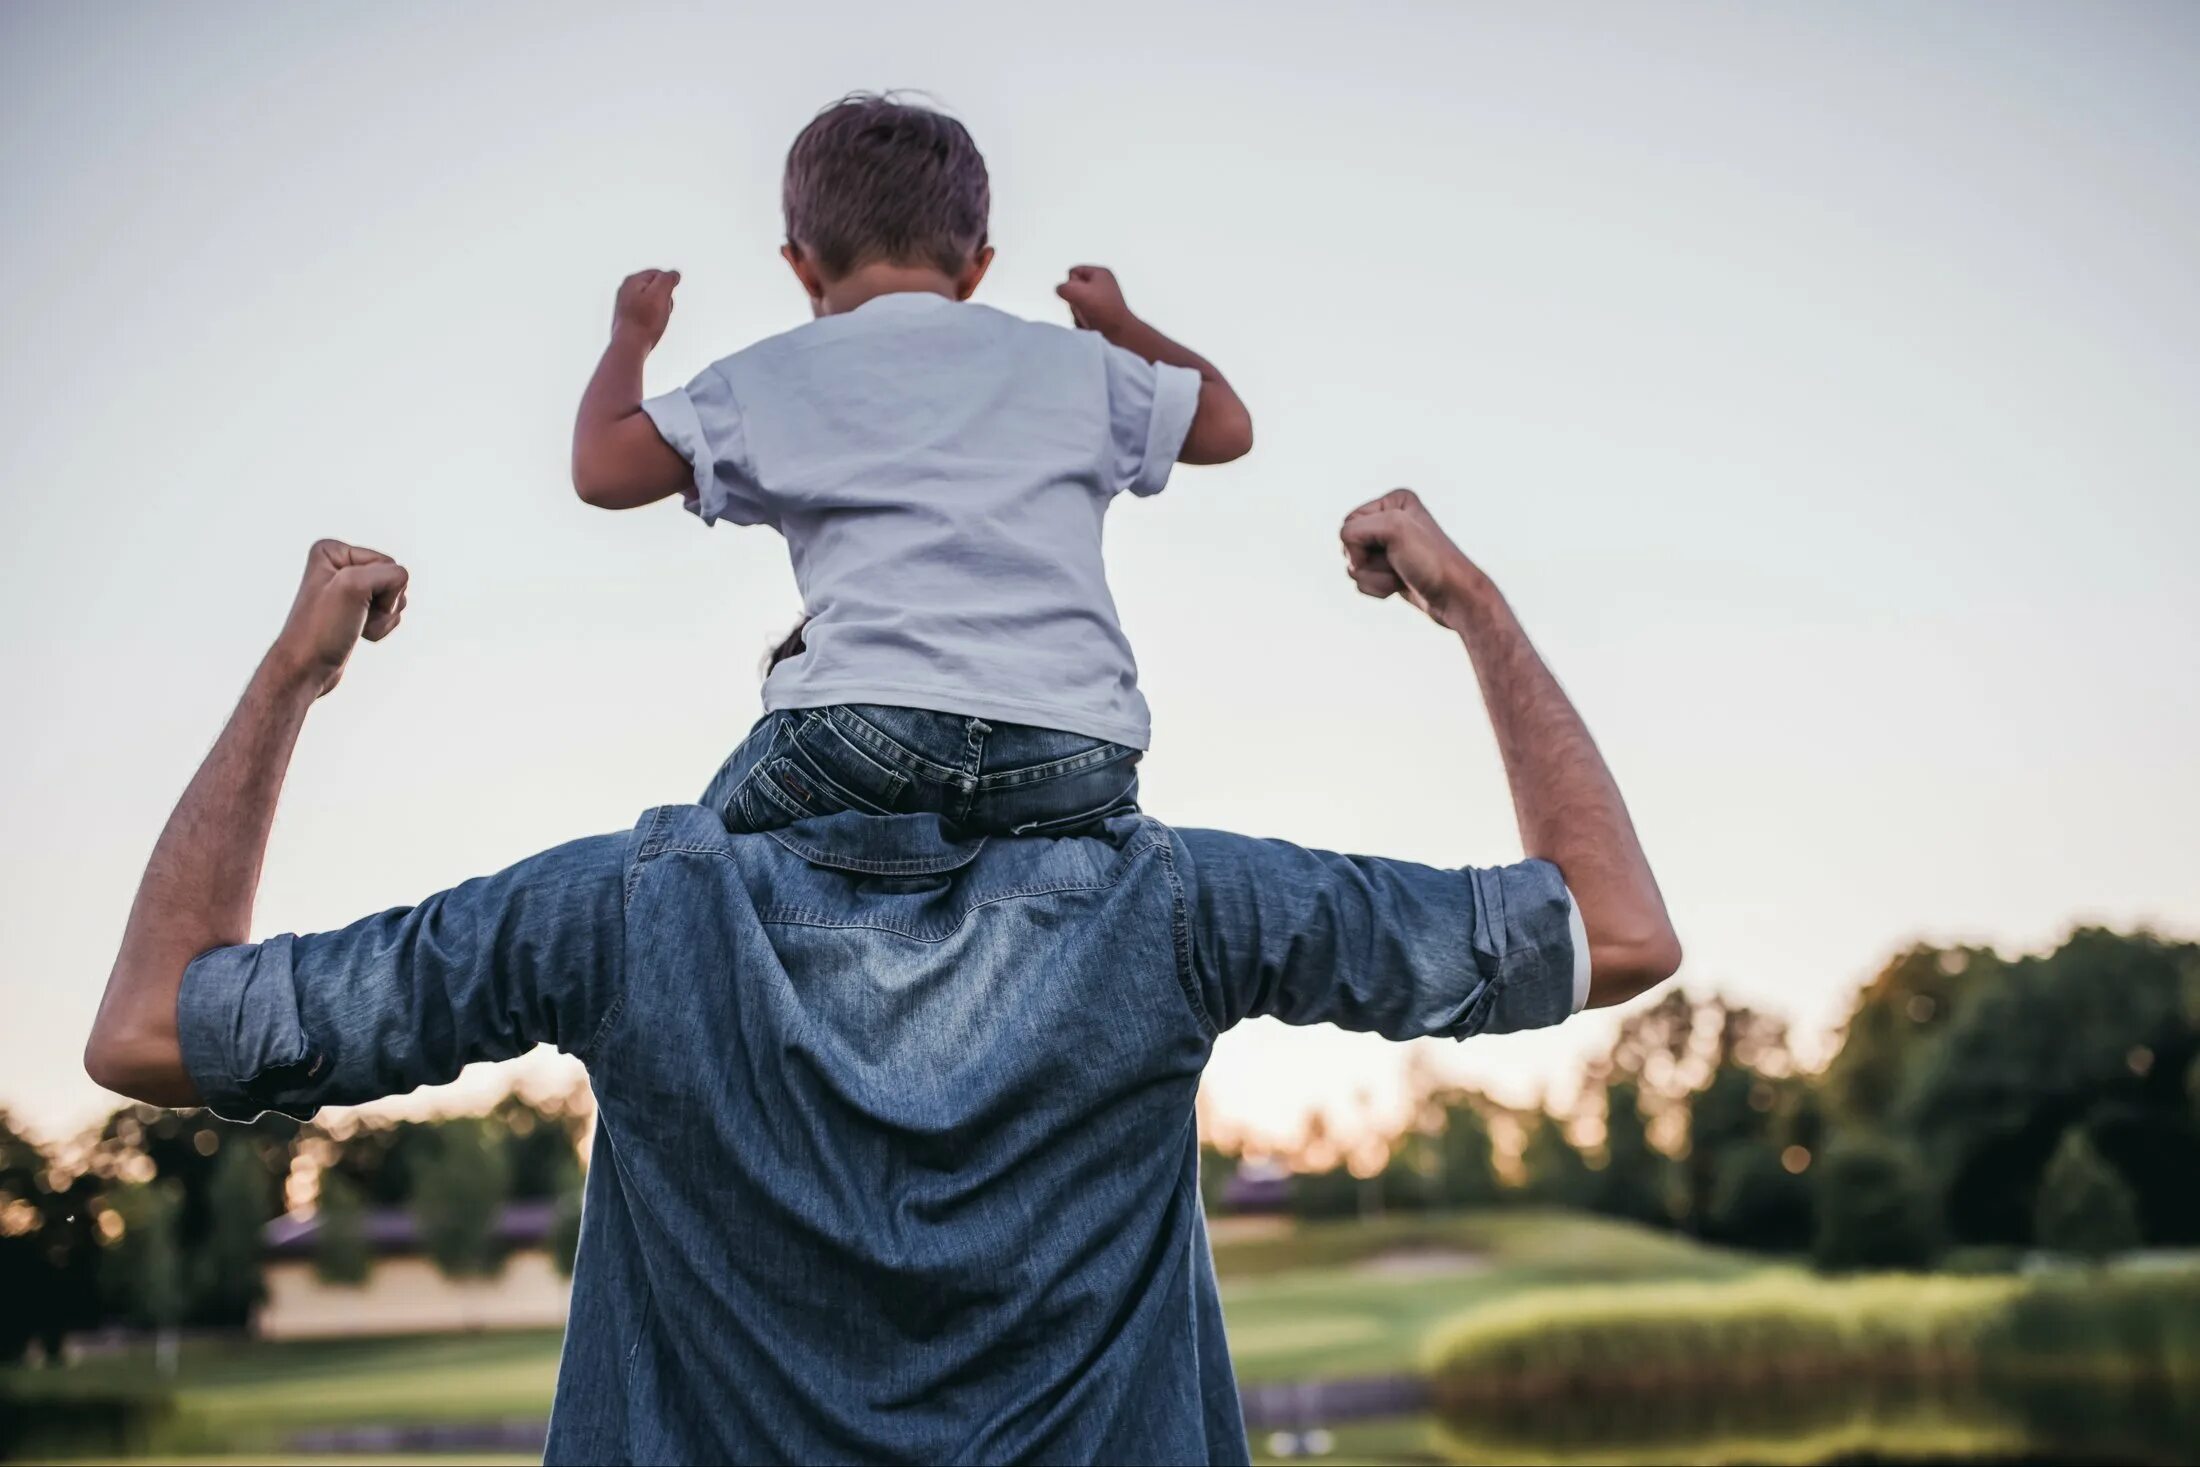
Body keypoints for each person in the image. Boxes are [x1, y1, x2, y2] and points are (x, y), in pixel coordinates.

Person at [84, 491, 1680, 1465]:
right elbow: (1615, 929)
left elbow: (156, 1024)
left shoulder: (622, 914)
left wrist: (296, 675)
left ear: (787, 706)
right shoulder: (1177, 904)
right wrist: (1470, 603)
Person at [569, 92, 1254, 837]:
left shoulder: (774, 376)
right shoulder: (1075, 365)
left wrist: (630, 336)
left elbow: (602, 468)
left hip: (866, 733)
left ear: (801, 267)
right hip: (1078, 748)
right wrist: (1119, 326)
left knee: (688, 863)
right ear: (977, 267)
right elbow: (1227, 424)